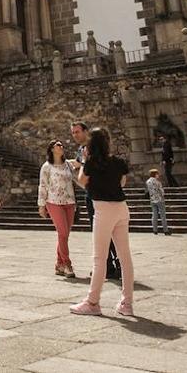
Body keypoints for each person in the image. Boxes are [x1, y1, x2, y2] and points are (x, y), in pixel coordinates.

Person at [70, 127, 134, 317]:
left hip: (102, 209)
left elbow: (82, 181)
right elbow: (122, 183)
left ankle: (92, 302)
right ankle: (127, 303)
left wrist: (83, 163)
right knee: (125, 257)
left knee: (99, 258)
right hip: (121, 208)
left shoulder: (90, 162)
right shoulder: (119, 162)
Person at [71, 121, 120, 282]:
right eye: (73, 133)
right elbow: (77, 163)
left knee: (107, 230)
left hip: (101, 194)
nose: (75, 135)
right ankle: (109, 265)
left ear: (86, 131)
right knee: (98, 231)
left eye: (77, 132)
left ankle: (113, 264)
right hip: (91, 194)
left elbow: (85, 173)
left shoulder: (96, 149)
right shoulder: (81, 150)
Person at [37, 139, 78, 276]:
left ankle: (59, 264)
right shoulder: (47, 166)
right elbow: (43, 185)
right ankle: (67, 264)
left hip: (69, 202)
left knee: (64, 234)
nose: (62, 146)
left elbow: (76, 179)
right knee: (63, 233)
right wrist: (41, 205)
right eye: (58, 145)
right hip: (53, 202)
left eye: (62, 145)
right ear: (52, 149)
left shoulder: (68, 165)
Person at [146, 167, 170, 235]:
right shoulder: (157, 182)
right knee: (163, 215)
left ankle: (155, 230)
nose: (158, 175)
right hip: (159, 199)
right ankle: (165, 230)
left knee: (154, 215)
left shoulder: (148, 182)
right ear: (155, 174)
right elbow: (162, 191)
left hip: (152, 199)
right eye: (157, 174)